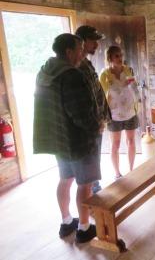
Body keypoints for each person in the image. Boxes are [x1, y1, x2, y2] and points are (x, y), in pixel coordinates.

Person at [33, 33, 100, 243]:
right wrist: (96, 127)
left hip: (58, 138)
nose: (82, 54)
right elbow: (79, 112)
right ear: (69, 51)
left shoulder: (45, 72)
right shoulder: (71, 75)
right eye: (79, 50)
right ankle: (84, 227)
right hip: (78, 140)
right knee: (85, 184)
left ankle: (66, 221)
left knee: (65, 179)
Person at [75, 25, 111, 194]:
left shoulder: (86, 63)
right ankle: (92, 193)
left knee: (95, 158)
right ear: (82, 42)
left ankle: (94, 187)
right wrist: (95, 122)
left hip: (96, 121)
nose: (97, 45)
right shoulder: (77, 66)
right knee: (89, 160)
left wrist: (102, 117)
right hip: (89, 124)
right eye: (93, 41)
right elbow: (84, 100)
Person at [99, 45, 140, 179]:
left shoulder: (129, 70)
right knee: (115, 144)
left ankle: (131, 169)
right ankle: (117, 173)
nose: (120, 58)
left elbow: (134, 88)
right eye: (116, 56)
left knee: (131, 140)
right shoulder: (104, 75)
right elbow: (102, 95)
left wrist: (138, 98)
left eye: (121, 55)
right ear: (110, 58)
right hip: (114, 114)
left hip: (130, 112)